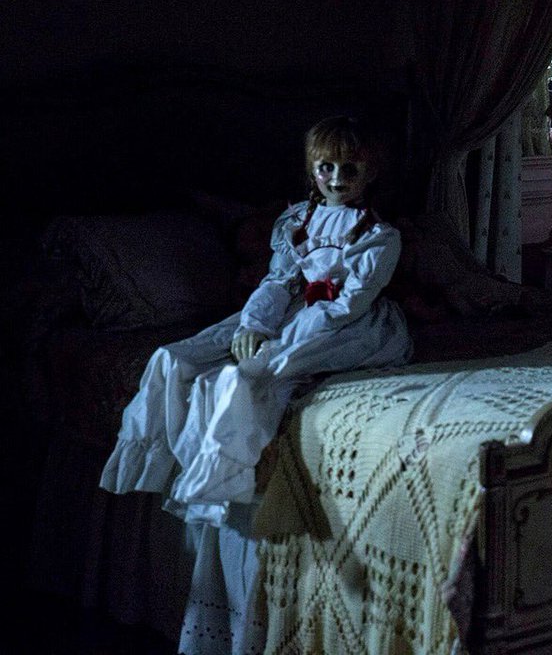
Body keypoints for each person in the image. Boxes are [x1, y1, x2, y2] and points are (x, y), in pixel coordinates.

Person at [99, 115, 413, 526]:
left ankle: (216, 483)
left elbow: (348, 304)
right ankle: (161, 466)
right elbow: (279, 280)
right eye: (327, 167)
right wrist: (255, 325)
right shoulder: (297, 221)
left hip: (345, 322)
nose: (337, 179)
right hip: (294, 306)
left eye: (350, 169)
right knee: (173, 358)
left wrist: (280, 340)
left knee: (245, 376)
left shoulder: (378, 236)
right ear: (312, 169)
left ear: (369, 173)